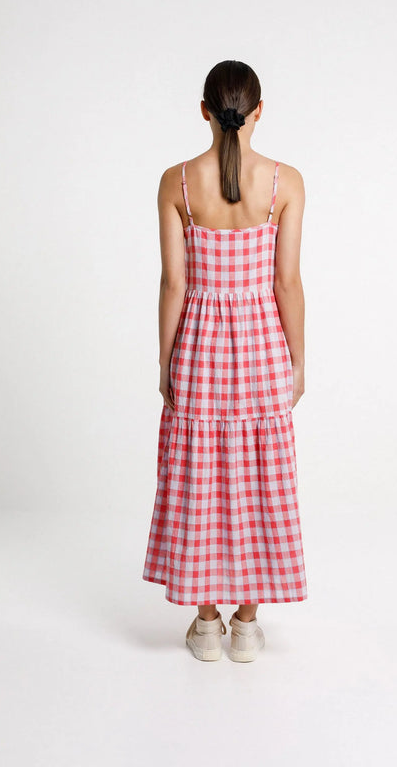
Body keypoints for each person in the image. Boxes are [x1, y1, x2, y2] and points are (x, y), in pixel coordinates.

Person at [142, 60, 308, 662]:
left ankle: (205, 622)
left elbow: (172, 283)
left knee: (199, 477)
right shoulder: (284, 182)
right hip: (262, 348)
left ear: (205, 110)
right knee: (259, 478)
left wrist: (166, 362)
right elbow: (287, 282)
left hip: (200, 348)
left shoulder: (177, 182)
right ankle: (245, 624)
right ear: (259, 111)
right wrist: (298, 361)